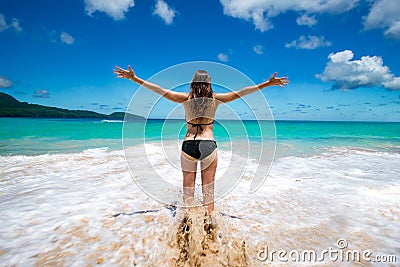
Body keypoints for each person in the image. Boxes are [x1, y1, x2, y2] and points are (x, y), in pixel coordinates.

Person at [114, 66, 289, 229]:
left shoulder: (185, 99)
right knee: (208, 194)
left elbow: (160, 91)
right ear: (209, 84)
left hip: (188, 144)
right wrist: (267, 83)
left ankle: (186, 228)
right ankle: (210, 233)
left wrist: (135, 79)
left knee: (188, 193)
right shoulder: (216, 99)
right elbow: (241, 93)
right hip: (208, 144)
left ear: (193, 83)